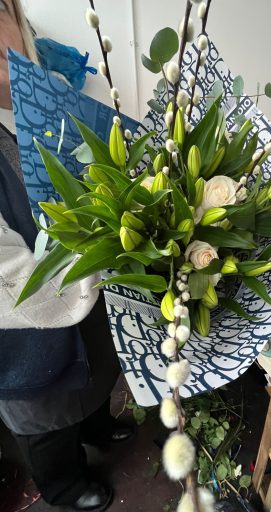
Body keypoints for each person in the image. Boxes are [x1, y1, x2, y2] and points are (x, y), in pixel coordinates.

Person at [0, 1, 133, 510]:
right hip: (26, 333)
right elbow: (15, 284)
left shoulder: (48, 99)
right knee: (45, 418)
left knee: (97, 372)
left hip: (89, 308)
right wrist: (110, 248)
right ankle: (65, 485)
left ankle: (97, 425)